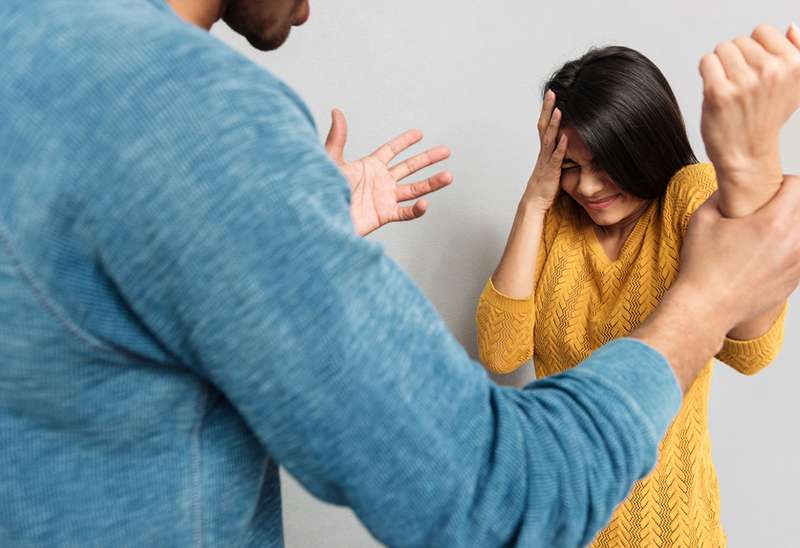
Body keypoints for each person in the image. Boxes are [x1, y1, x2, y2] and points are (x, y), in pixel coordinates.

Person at [0, 1, 798, 546]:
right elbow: (497, 495)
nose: (309, 8)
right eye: (574, 167)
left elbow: (755, 341)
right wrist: (703, 299)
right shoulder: (188, 114)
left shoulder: (28, 52)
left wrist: (277, 247)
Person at [476, 30, 799, 546]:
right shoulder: (556, 222)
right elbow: (500, 350)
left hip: (675, 533)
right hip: (563, 527)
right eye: (571, 167)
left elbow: (753, 350)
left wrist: (751, 159)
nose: (587, 188)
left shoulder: (687, 198)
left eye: (606, 165)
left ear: (644, 145)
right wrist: (535, 201)